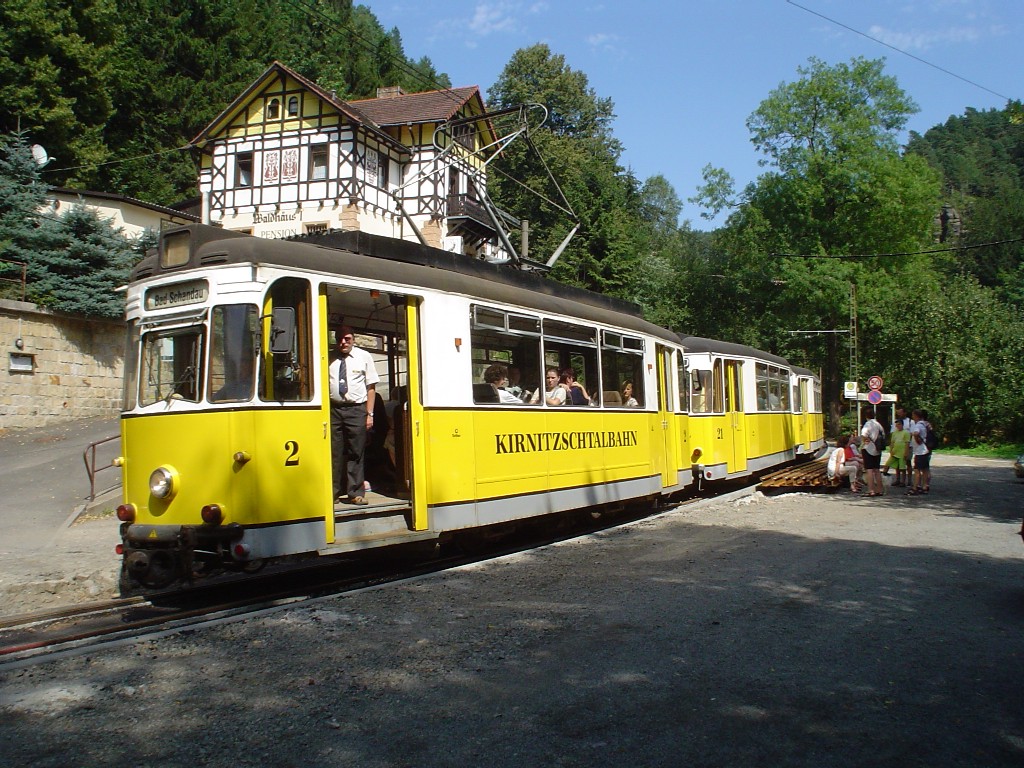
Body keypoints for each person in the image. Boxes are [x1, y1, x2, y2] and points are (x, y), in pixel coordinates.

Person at [329, 326, 380, 506]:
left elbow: (371, 387)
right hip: (333, 409)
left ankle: (355, 493)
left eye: (347, 339)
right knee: (334, 452)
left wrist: (369, 414)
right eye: (340, 339)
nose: (344, 342)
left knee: (356, 452)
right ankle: (333, 493)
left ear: (354, 339)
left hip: (357, 410)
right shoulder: (328, 357)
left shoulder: (364, 356)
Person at [859, 406, 885, 497]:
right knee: (877, 470)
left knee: (869, 470)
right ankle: (880, 489)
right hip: (878, 449)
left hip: (868, 449)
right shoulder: (878, 424)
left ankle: (871, 490)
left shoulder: (868, 424)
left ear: (866, 415)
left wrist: (865, 440)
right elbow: (883, 435)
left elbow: (863, 434)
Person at [907, 408, 932, 495]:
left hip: (920, 451)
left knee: (917, 470)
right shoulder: (925, 424)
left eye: (913, 415)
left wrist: (917, 439)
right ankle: (925, 486)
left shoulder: (918, 425)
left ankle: (915, 487)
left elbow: (916, 433)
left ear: (916, 416)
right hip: (925, 449)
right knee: (925, 469)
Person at [883, 418, 911, 487]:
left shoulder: (906, 433)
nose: (898, 426)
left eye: (899, 424)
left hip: (902, 452)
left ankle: (903, 481)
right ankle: (895, 479)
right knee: (888, 464)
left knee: (902, 467)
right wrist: (891, 450)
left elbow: (907, 443)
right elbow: (892, 442)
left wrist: (906, 452)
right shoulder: (894, 433)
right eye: (896, 425)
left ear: (902, 425)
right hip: (895, 452)